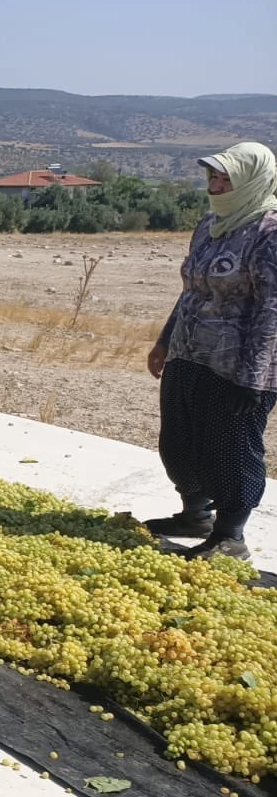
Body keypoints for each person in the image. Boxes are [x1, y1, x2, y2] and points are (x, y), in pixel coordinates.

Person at [144, 141, 277, 561]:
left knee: (230, 447)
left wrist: (254, 376)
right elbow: (191, 291)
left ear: (252, 181)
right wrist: (165, 341)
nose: (217, 187)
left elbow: (272, 309)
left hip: (236, 365)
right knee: (180, 441)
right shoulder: (209, 224)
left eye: (227, 180)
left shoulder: (268, 233)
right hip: (190, 352)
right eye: (213, 178)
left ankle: (231, 536)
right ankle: (195, 516)